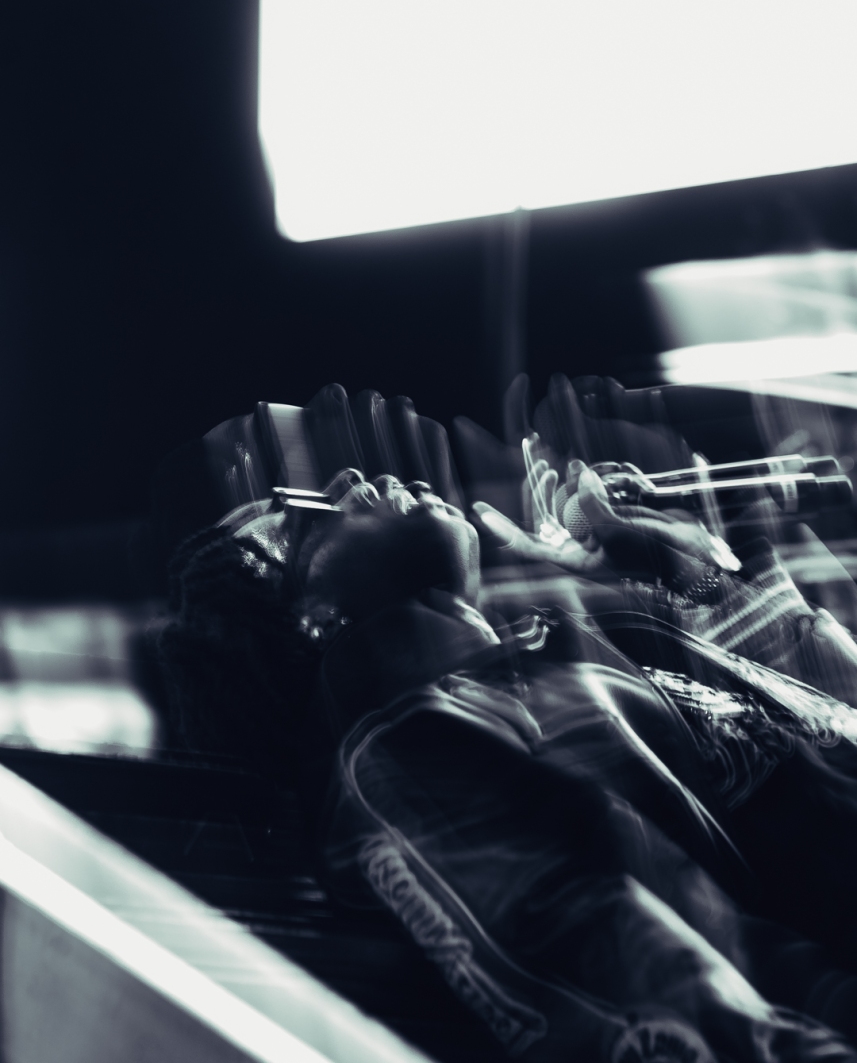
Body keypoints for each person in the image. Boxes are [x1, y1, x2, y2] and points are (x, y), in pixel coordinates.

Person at [159, 436, 857, 1062]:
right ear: (311, 620)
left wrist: (694, 578)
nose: (344, 479)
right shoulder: (413, 766)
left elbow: (830, 745)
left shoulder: (560, 655)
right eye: (305, 517)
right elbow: (677, 1009)